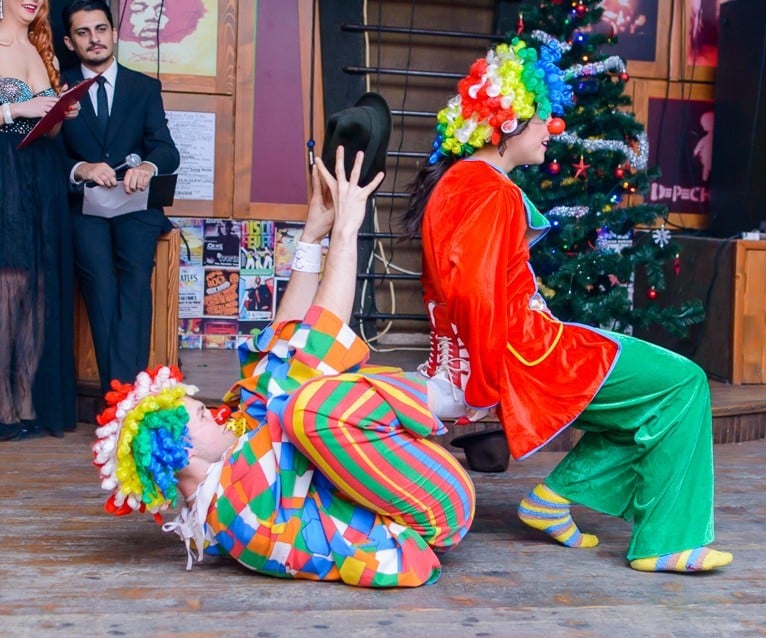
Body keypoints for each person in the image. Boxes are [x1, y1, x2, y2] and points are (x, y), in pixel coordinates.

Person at [403, 34, 733, 573]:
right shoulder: (489, 191)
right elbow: (474, 296)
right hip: (532, 354)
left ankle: (552, 499)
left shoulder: (462, 183)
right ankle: (665, 541)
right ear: (509, 123)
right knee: (682, 383)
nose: (552, 133)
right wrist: (486, 393)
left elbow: (466, 291)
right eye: (544, 121)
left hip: (519, 348)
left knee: (646, 397)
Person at [92, 145, 475, 587]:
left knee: (271, 387)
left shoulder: (223, 483)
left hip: (413, 494)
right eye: (200, 416)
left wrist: (313, 237)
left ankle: (442, 398)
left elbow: (278, 354)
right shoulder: (239, 502)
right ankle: (451, 397)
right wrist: (349, 230)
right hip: (434, 513)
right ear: (180, 453)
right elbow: (316, 349)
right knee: (308, 406)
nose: (214, 413)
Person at [60, 0, 180, 395]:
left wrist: (147, 166)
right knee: (100, 289)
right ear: (70, 41)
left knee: (134, 285)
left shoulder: (144, 87)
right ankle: (122, 397)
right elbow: (47, 155)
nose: (94, 39)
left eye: (100, 29)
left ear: (114, 33)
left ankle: (124, 396)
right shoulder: (59, 88)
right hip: (84, 209)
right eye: (83, 32)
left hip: (135, 208)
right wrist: (82, 169)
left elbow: (166, 149)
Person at [0, 0, 79, 440]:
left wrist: (59, 115)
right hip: (4, 175)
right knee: (7, 287)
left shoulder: (42, 48)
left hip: (41, 176)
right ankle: (3, 405)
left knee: (38, 289)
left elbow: (45, 130)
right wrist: (16, 110)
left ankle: (28, 399)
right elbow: (17, 116)